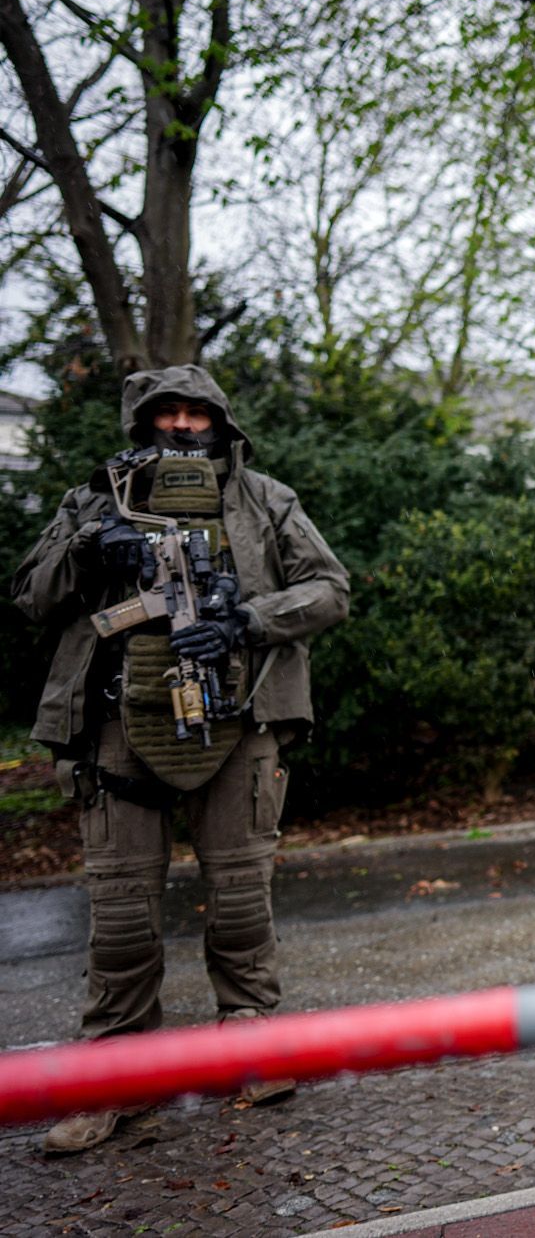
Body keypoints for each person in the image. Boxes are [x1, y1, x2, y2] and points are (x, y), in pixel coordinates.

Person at [10, 365, 349, 1154]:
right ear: (142, 422)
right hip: (118, 726)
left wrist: (248, 620)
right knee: (123, 911)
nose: (184, 425)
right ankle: (117, 1078)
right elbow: (31, 592)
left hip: (240, 717)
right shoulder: (93, 502)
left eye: (198, 412)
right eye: (168, 412)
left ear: (222, 422)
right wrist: (94, 549)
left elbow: (329, 588)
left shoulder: (265, 499)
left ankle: (251, 1039)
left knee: (239, 894)